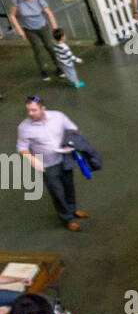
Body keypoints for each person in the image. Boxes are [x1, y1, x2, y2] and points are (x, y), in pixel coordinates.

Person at [16, 97, 88, 231]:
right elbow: (22, 147)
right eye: (28, 110)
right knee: (57, 193)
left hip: (64, 159)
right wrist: (30, 158)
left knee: (69, 187)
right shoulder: (24, 127)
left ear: (43, 108)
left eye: (34, 110)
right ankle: (67, 218)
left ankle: (72, 210)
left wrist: (70, 141)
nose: (30, 113)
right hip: (46, 165)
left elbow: (72, 129)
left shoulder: (58, 116)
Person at [9, 0, 61, 80]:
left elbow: (48, 13)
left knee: (50, 46)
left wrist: (55, 28)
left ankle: (59, 67)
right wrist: (20, 30)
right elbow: (12, 15)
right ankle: (43, 70)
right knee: (37, 48)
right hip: (28, 29)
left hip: (42, 26)